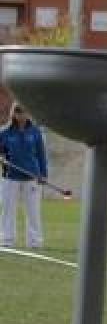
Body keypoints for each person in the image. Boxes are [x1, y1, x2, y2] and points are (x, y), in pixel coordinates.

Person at [0, 103, 50, 250]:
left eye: (25, 112)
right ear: (13, 114)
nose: (22, 115)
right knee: (8, 209)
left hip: (32, 177)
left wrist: (43, 174)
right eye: (18, 112)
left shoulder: (35, 132)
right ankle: (6, 240)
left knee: (33, 211)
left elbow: (41, 154)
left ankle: (34, 241)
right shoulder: (4, 132)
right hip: (9, 176)